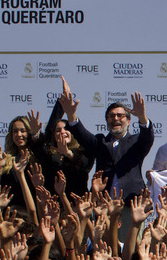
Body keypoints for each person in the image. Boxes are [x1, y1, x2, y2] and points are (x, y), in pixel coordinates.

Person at [58, 76, 154, 204]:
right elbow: (81, 134)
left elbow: (147, 137)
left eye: (120, 115)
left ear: (129, 120)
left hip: (132, 203)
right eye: (111, 116)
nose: (115, 118)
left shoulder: (136, 141)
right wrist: (71, 114)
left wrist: (142, 117)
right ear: (106, 121)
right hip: (103, 204)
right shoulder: (100, 142)